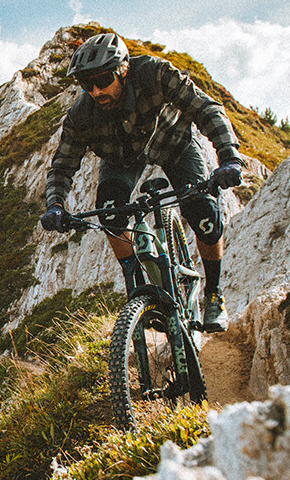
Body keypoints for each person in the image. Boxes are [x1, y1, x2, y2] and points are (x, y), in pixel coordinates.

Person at [39, 32, 244, 333]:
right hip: (121, 159)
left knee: (204, 213)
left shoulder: (155, 74)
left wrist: (229, 158)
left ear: (123, 68)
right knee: (110, 214)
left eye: (103, 79)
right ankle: (136, 289)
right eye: (87, 84)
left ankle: (213, 294)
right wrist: (55, 205)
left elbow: (206, 109)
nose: (96, 91)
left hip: (174, 145)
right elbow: (62, 166)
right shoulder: (81, 114)